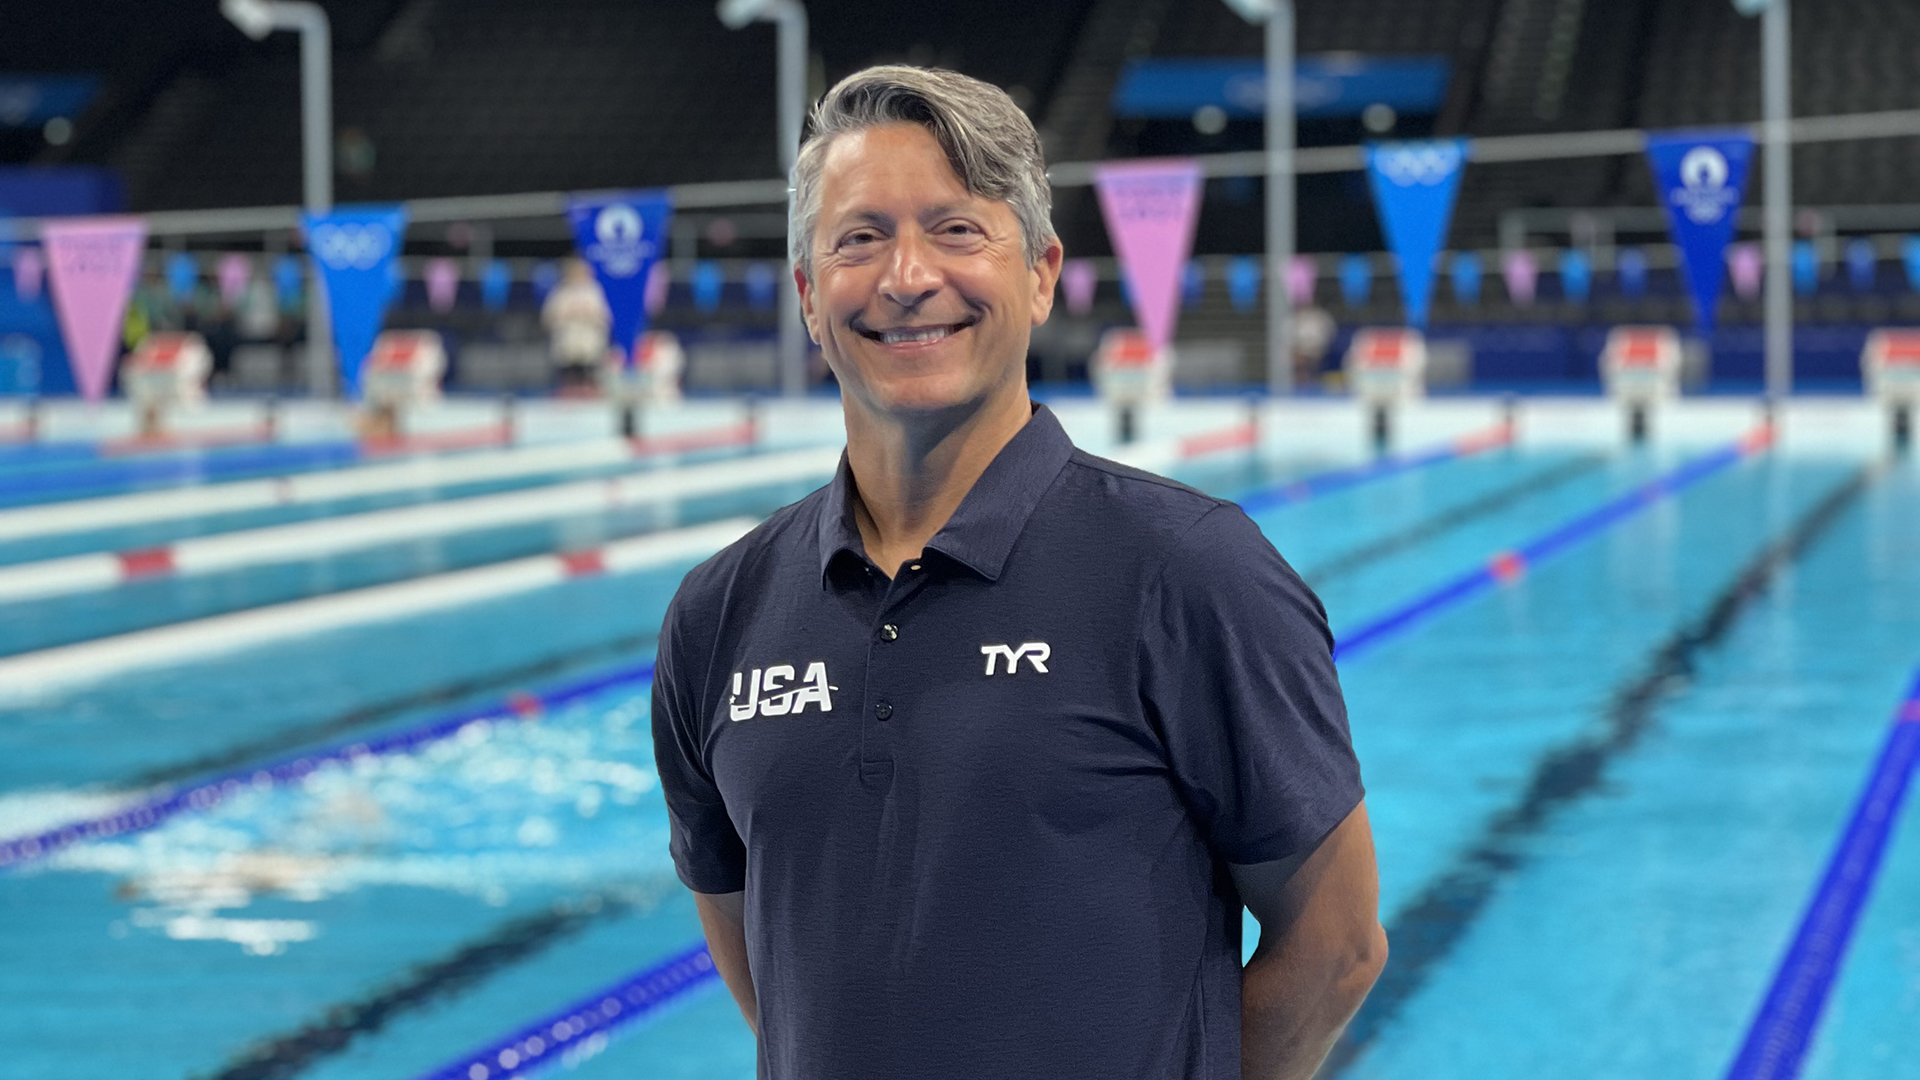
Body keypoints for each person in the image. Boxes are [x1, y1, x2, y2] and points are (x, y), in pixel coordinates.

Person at [651, 66, 1385, 1080]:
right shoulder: (718, 613)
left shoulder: (1189, 571)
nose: (908, 276)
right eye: (859, 239)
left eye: (957, 230)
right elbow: (771, 981)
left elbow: (1337, 949)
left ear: (1041, 275)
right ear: (810, 297)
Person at [541, 258, 611, 393]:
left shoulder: (595, 290)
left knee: (591, 347)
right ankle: (568, 386)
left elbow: (604, 316)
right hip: (567, 333)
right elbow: (548, 316)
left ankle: (588, 385)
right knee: (567, 347)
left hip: (588, 334)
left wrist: (587, 313)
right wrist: (569, 314)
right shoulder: (560, 291)